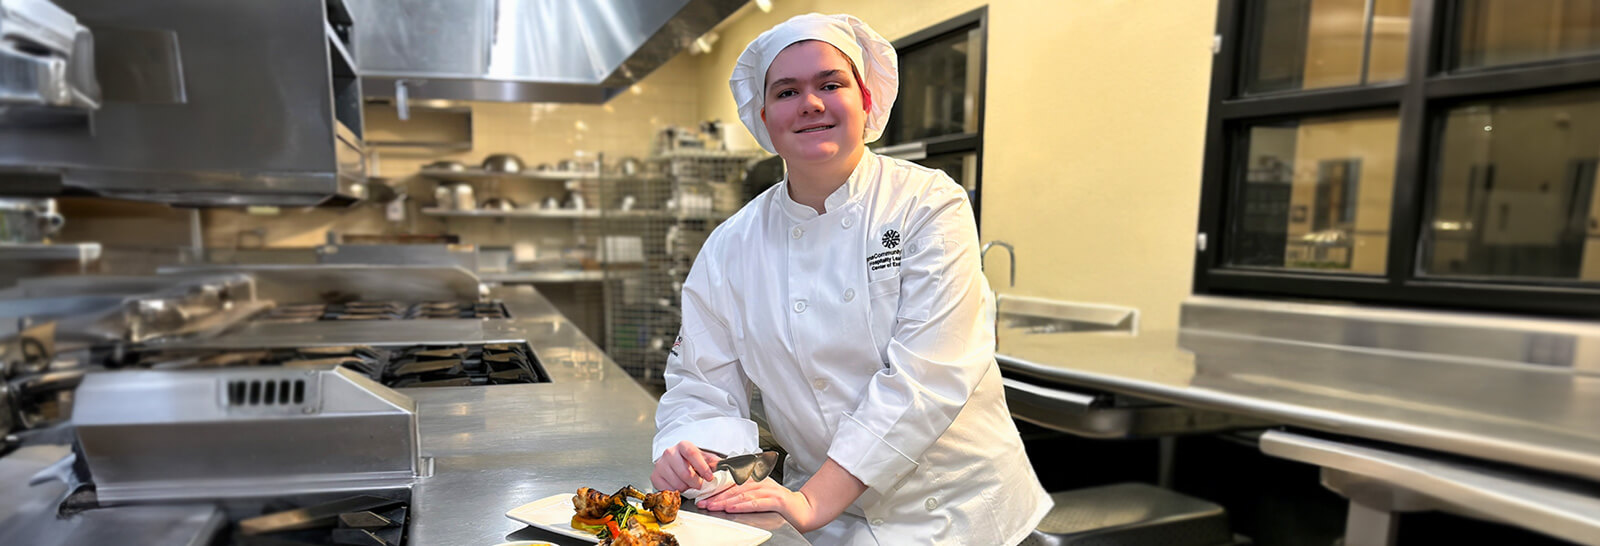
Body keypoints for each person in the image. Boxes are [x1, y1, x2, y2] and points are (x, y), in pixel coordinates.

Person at [650, 13, 1051, 544]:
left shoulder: (928, 203)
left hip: (957, 510)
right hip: (826, 521)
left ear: (865, 99)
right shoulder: (730, 247)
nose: (811, 103)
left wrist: (816, 499)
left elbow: (928, 377)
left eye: (830, 84)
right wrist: (694, 454)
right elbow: (702, 385)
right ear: (764, 116)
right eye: (788, 90)